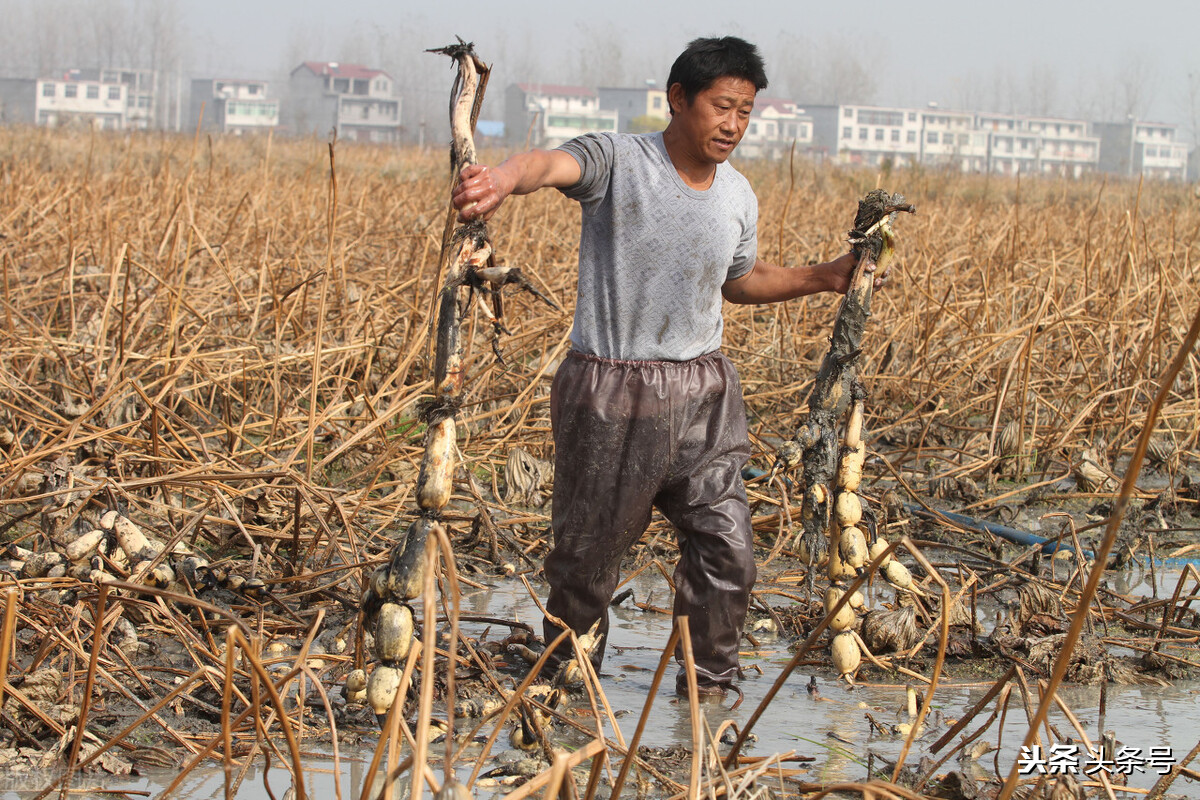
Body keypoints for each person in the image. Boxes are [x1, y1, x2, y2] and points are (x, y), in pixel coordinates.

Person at [452, 36, 883, 698]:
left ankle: (706, 700)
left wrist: (825, 277)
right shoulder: (619, 161)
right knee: (588, 564)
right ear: (678, 99)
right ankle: (563, 699)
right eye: (722, 106)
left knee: (727, 549)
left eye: (745, 111)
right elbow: (548, 164)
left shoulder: (737, 194)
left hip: (703, 394)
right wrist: (504, 179)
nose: (733, 125)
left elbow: (739, 280)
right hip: (611, 392)